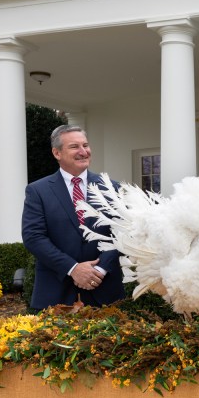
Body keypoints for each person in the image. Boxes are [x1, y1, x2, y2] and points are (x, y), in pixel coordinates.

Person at [22, 124, 125, 311]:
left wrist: (99, 270)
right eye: (74, 147)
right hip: (55, 291)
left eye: (85, 145)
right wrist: (73, 268)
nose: (83, 151)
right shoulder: (38, 191)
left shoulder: (112, 188)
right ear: (57, 153)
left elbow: (123, 233)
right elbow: (34, 237)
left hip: (104, 290)